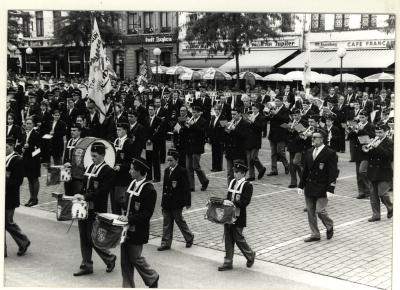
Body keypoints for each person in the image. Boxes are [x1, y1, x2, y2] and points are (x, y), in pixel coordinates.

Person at [73, 142, 116, 276]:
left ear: (103, 155)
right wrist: (80, 194)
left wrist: (85, 196)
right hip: (84, 207)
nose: (93, 158)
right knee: (83, 237)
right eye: (91, 156)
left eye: (95, 156)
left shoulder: (108, 171)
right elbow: (84, 185)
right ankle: (86, 264)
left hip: (96, 209)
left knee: (92, 238)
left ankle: (109, 258)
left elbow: (102, 192)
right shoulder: (90, 166)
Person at [117, 157, 159, 288]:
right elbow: (127, 203)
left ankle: (152, 277)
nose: (129, 171)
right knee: (124, 261)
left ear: (139, 172)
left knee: (135, 258)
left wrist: (129, 219)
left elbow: (147, 214)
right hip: (126, 229)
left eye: (132, 169)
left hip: (137, 230)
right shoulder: (132, 183)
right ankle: (128, 286)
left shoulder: (149, 190)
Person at [298, 128, 338, 242]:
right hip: (310, 185)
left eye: (316, 137)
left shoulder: (330, 153)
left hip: (322, 186)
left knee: (320, 211)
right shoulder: (309, 151)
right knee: (311, 212)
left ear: (323, 139)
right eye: (313, 137)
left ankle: (329, 225)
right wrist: (301, 185)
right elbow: (305, 170)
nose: (313, 139)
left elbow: (333, 172)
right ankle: (315, 234)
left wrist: (331, 188)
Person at [218, 160, 255, 271]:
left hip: (239, 216)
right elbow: (228, 196)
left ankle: (250, 254)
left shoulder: (248, 185)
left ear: (243, 173)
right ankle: (228, 261)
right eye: (234, 171)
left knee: (238, 237)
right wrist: (223, 201)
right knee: (228, 237)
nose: (235, 173)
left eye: (237, 171)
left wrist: (232, 203)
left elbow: (245, 202)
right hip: (229, 214)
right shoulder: (232, 182)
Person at [158, 149, 194, 251]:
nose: (169, 163)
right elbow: (165, 188)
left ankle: (189, 237)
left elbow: (186, 188)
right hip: (167, 202)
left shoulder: (182, 171)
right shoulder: (166, 171)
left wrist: (187, 202)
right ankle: (165, 243)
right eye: (168, 160)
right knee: (166, 222)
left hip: (176, 202)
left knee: (179, 221)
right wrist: (163, 202)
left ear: (176, 160)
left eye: (171, 160)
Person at [5, 137, 31, 257]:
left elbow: (18, 181)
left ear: (11, 146)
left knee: (7, 222)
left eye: (6, 147)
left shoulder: (17, 160)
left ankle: (23, 241)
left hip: (10, 197)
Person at [365, 123, 393, 222]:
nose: (378, 134)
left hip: (383, 171)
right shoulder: (374, 140)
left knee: (382, 193)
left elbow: (390, 156)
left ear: (386, 132)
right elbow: (368, 156)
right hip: (372, 170)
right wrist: (369, 148)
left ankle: (391, 207)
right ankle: (376, 215)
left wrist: (378, 147)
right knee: (373, 195)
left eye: (380, 132)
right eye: (376, 132)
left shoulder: (390, 142)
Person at [182, 105, 209, 191]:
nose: (193, 114)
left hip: (197, 147)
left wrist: (193, 125)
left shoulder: (203, 121)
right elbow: (187, 132)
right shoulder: (191, 120)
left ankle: (204, 181)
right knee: (188, 167)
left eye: (194, 112)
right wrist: (186, 126)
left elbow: (202, 133)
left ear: (198, 113)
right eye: (192, 112)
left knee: (195, 166)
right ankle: (191, 186)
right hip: (189, 146)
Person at [112, 123, 134, 214]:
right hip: (114, 177)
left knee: (122, 201)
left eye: (120, 130)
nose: (118, 132)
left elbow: (130, 161)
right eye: (117, 130)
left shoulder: (129, 142)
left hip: (123, 178)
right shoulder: (116, 141)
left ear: (126, 130)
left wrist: (120, 167)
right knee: (114, 203)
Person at [266, 96, 290, 176]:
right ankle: (274, 170)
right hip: (272, 133)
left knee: (280, 152)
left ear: (282, 101)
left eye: (278, 101)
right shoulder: (274, 108)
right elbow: (269, 119)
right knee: (273, 153)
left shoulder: (285, 110)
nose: (276, 103)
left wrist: (276, 114)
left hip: (281, 134)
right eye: (275, 101)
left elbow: (286, 120)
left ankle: (287, 166)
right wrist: (269, 114)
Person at [22, 117, 41, 207]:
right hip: (26, 160)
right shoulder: (25, 134)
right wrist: (22, 148)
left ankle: (35, 198)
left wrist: (29, 147)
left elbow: (40, 149)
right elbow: (23, 145)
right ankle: (31, 197)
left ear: (33, 125)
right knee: (29, 179)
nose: (28, 125)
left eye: (30, 123)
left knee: (34, 179)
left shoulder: (36, 134)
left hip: (34, 160)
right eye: (27, 123)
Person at [245, 103, 267, 181]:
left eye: (255, 109)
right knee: (248, 158)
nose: (253, 111)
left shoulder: (261, 117)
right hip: (248, 139)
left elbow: (261, 128)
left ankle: (261, 168)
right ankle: (251, 175)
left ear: (258, 109)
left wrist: (252, 122)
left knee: (253, 157)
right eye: (252, 109)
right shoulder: (250, 116)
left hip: (256, 139)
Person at [63, 123, 83, 196]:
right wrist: (65, 164)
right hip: (67, 171)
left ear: (79, 132)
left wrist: (71, 164)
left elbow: (80, 159)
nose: (72, 132)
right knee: (67, 192)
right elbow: (65, 155)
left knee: (76, 193)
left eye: (74, 130)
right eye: (71, 130)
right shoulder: (69, 141)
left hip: (76, 173)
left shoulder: (81, 142)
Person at [208, 104, 225, 172]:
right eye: (215, 109)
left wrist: (222, 139)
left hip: (219, 139)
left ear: (220, 110)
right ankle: (214, 166)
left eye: (218, 109)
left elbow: (224, 129)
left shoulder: (223, 117)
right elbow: (211, 128)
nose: (216, 111)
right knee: (214, 153)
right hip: (213, 139)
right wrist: (209, 137)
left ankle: (219, 167)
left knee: (219, 154)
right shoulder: (213, 117)